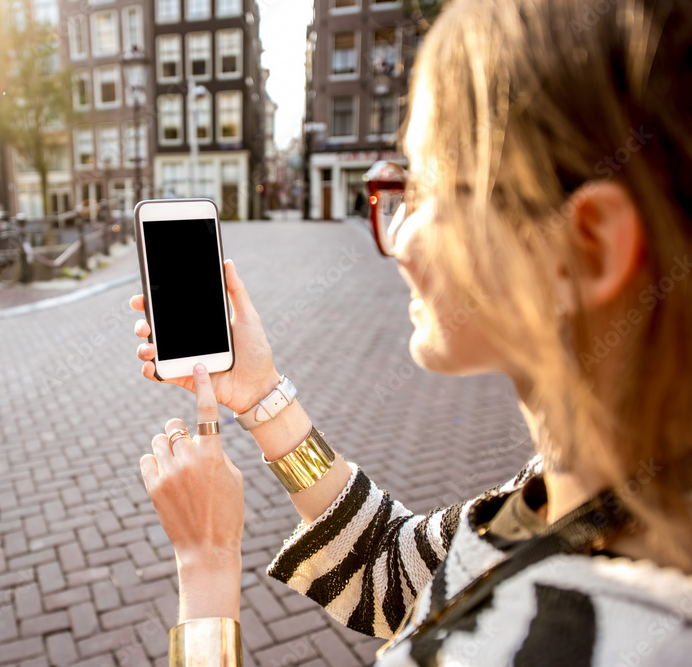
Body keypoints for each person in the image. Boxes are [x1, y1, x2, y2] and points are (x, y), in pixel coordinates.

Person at [128, 0, 692, 664]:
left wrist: (208, 565)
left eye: (424, 190)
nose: (396, 239)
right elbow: (392, 572)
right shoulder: (594, 490)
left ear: (588, 248)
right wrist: (260, 395)